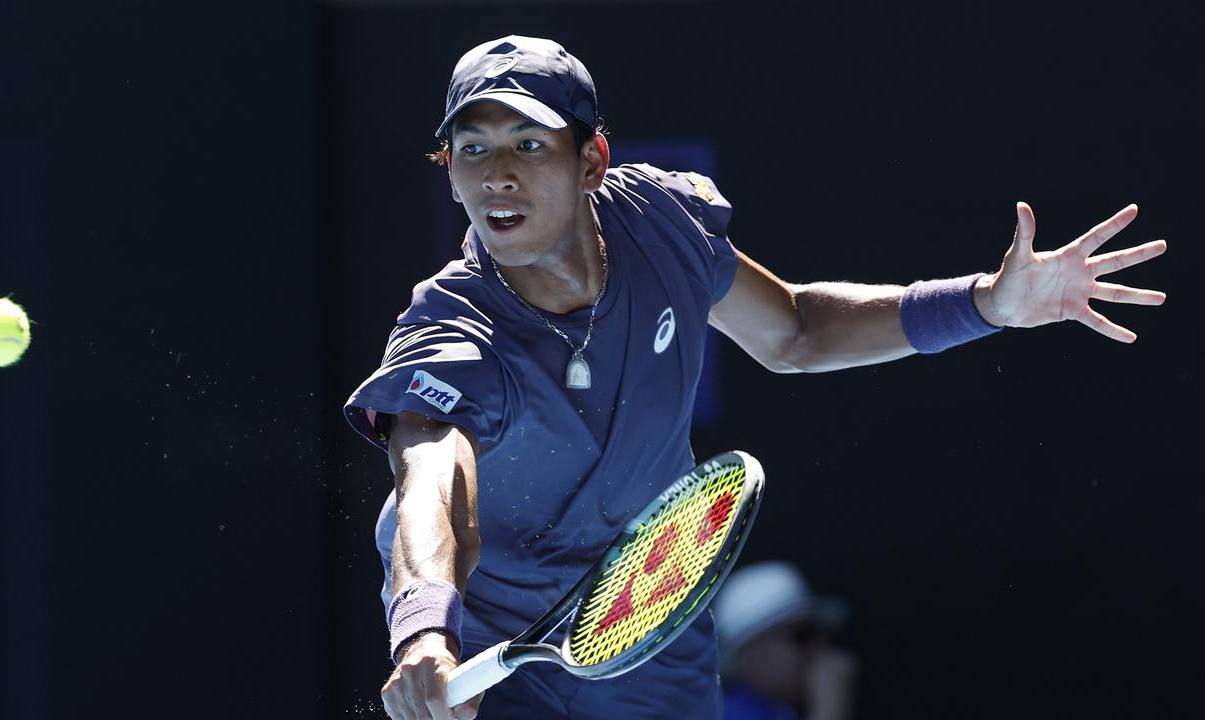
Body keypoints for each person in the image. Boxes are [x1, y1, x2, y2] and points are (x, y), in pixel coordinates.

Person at [342, 34, 1166, 720]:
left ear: (591, 159)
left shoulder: (661, 225)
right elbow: (432, 490)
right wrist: (422, 630)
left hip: (643, 615)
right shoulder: (452, 330)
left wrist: (985, 304)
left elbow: (798, 331)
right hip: (485, 641)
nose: (497, 177)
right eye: (473, 150)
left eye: (529, 144)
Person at [714, 561, 856, 720]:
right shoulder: (719, 714)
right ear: (749, 649)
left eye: (821, 633)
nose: (819, 648)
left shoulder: (780, 711)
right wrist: (830, 709)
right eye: (802, 636)